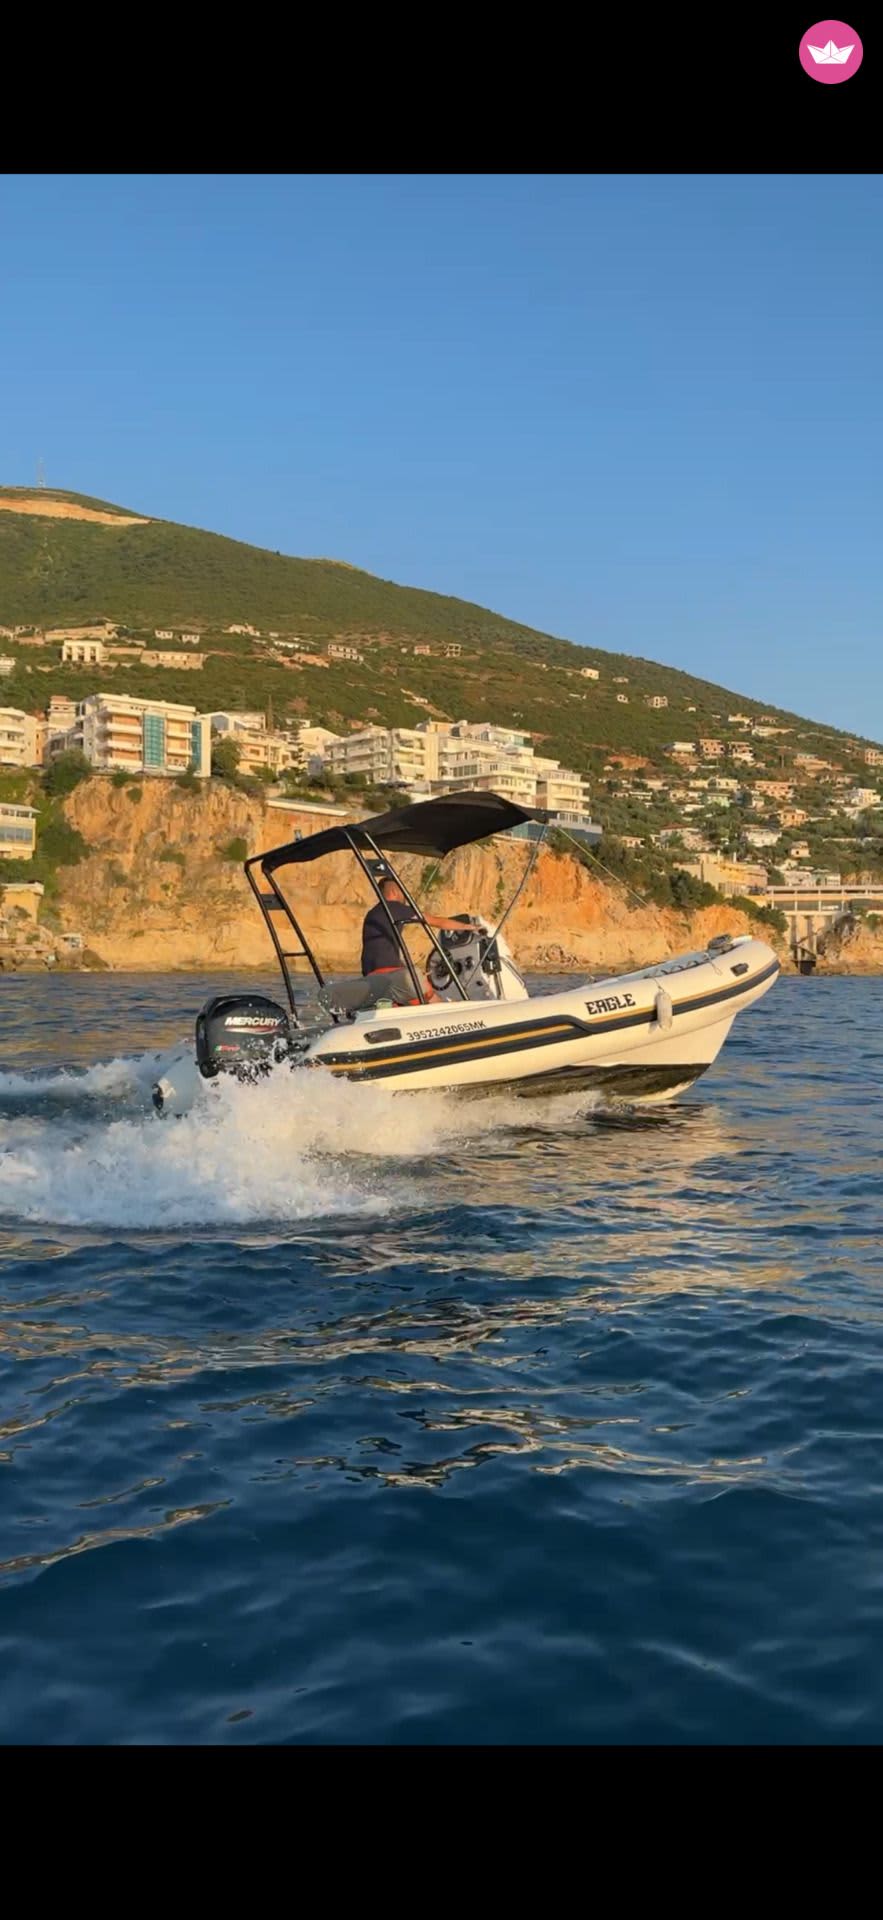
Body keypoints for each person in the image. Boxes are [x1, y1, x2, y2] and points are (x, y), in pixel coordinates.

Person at [360, 877, 468, 1003]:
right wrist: (468, 927)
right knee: (426, 991)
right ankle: (446, 1011)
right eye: (402, 891)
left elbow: (381, 949)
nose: (404, 895)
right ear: (394, 891)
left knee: (413, 981)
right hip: (387, 971)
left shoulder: (372, 913)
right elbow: (437, 921)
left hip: (370, 973)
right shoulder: (394, 907)